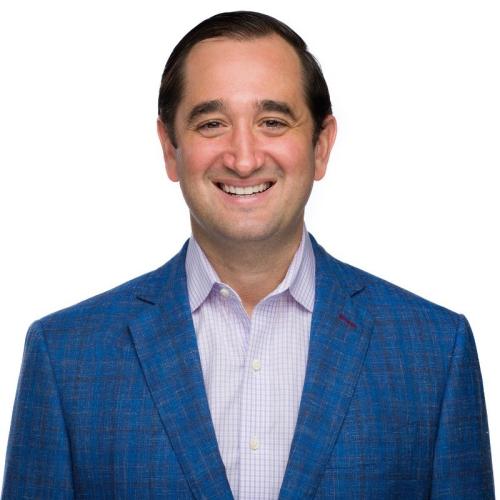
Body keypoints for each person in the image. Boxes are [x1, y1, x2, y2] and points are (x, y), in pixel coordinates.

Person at [1, 10, 494, 500]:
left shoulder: (435, 352)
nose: (243, 158)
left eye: (272, 122)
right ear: (170, 149)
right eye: (211, 123)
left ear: (321, 146)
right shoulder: (65, 357)